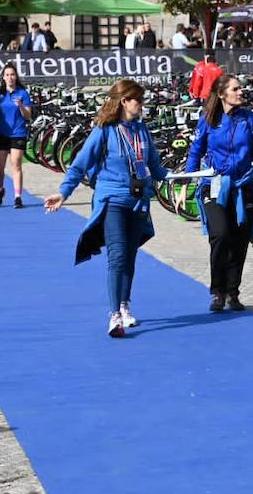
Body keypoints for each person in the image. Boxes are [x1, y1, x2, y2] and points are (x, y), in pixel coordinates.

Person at [44, 79, 169, 337]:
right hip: (112, 200)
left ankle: (125, 304)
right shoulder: (104, 130)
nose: (143, 105)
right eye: (139, 100)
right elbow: (79, 165)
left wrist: (183, 178)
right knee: (118, 255)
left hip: (138, 202)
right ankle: (114, 316)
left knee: (130, 257)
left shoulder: (142, 131)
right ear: (125, 101)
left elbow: (156, 167)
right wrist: (64, 192)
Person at [186, 74, 253, 312]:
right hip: (215, 185)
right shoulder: (208, 119)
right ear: (222, 94)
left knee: (240, 240)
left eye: (241, 88)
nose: (241, 92)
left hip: (244, 186)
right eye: (236, 89)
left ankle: (233, 292)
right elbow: (195, 153)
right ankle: (217, 292)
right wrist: (187, 184)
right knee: (220, 234)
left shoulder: (248, 119)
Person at [0, 64, 33, 208]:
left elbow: (28, 116)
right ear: (3, 77)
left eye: (12, 74)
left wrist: (21, 106)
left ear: (16, 77)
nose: (10, 77)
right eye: (7, 75)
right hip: (2, 133)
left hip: (18, 133)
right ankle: (0, 189)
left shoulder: (23, 93)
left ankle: (18, 196)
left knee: (16, 164)